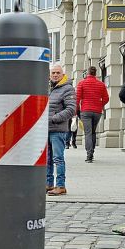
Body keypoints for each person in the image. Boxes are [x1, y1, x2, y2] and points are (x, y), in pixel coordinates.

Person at [47, 63, 76, 196]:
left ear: (63, 75)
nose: (55, 75)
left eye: (58, 73)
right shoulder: (49, 88)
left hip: (58, 129)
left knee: (58, 158)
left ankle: (60, 185)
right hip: (46, 129)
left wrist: (54, 118)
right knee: (47, 159)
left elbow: (71, 109)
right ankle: (48, 184)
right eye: (53, 73)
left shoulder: (67, 88)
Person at [76, 66, 109, 163]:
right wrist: (100, 105)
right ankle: (92, 151)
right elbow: (106, 98)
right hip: (97, 111)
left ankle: (89, 154)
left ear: (87, 73)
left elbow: (77, 99)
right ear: (95, 73)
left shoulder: (81, 83)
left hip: (85, 111)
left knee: (88, 133)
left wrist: (77, 110)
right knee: (93, 132)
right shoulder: (101, 84)